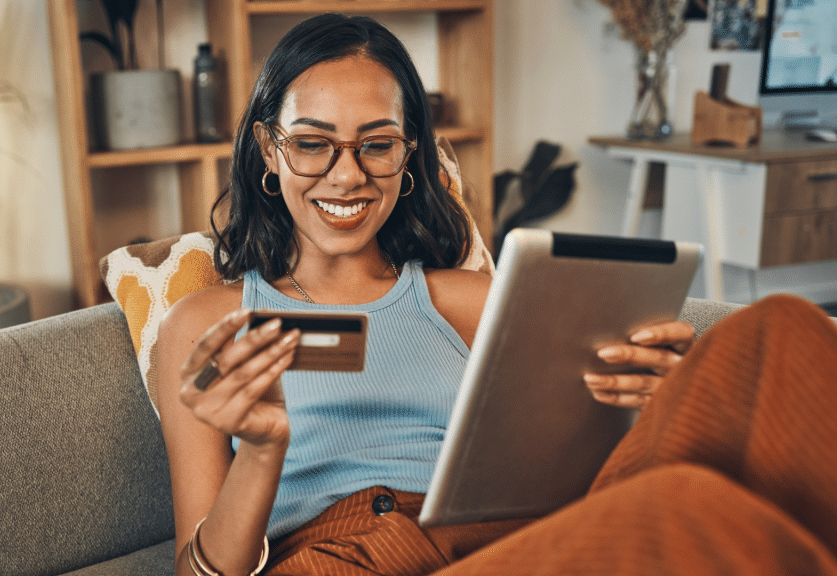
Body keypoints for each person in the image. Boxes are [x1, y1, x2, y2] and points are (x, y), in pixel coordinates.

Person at [156, 13, 837, 576]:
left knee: (783, 330)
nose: (346, 176)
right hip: (338, 558)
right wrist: (267, 450)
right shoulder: (207, 323)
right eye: (312, 144)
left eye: (377, 144)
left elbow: (570, 457)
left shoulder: (473, 299)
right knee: (685, 510)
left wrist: (669, 397)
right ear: (269, 151)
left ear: (409, 154)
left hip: (500, 540)